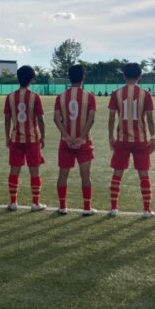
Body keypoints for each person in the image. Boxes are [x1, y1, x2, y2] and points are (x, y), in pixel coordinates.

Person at [108, 62, 155, 218]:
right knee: (144, 174)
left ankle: (114, 207)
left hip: (122, 140)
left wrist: (111, 136)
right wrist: (153, 137)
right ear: (140, 76)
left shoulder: (116, 93)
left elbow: (111, 118)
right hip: (140, 140)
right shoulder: (145, 94)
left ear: (123, 76)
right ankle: (147, 210)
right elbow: (150, 119)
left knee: (117, 173)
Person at [53, 64, 97, 216]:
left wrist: (66, 135)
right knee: (85, 176)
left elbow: (56, 119)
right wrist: (81, 137)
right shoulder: (89, 96)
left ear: (69, 77)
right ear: (83, 77)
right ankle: (86, 208)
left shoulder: (61, 97)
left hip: (66, 142)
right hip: (84, 142)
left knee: (63, 175)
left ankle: (62, 207)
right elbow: (91, 119)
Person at [4, 65, 46, 212]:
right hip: (32, 139)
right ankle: (35, 203)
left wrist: (7, 136)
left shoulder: (10, 97)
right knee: (34, 171)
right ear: (32, 79)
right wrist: (43, 137)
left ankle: (13, 202)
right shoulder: (35, 97)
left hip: (16, 139)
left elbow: (7, 119)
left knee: (14, 170)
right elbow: (40, 119)